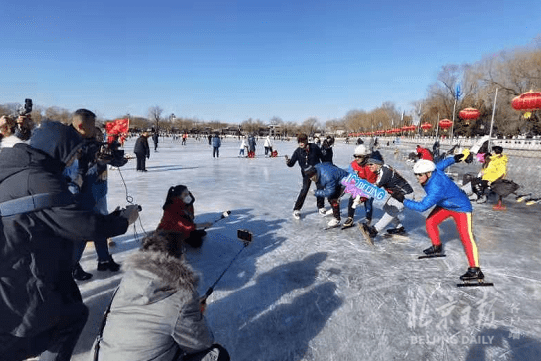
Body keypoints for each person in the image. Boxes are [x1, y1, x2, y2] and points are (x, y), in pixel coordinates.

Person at [0, 120, 139, 361]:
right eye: (73, 154)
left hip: (15, 266)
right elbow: (84, 226)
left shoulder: (14, 167)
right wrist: (124, 220)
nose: (74, 159)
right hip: (21, 280)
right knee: (69, 319)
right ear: (59, 149)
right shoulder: (38, 180)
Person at [94, 231, 230, 361]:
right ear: (179, 257)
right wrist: (195, 314)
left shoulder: (126, 283)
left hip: (103, 356)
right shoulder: (182, 298)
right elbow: (202, 342)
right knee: (218, 354)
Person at [390, 156, 486, 282]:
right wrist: (456, 158)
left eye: (420, 175)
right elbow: (443, 163)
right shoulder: (435, 170)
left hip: (461, 207)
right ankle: (437, 247)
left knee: (466, 237)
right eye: (416, 175)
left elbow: (422, 207)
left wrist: (403, 200)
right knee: (430, 222)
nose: (417, 178)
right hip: (445, 204)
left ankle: (475, 270)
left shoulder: (436, 188)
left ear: (429, 174)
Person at [67, 126, 122, 281]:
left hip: (100, 196)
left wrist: (116, 155)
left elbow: (116, 163)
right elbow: (80, 177)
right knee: (84, 233)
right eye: (96, 134)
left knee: (101, 229)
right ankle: (71, 266)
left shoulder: (101, 148)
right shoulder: (79, 151)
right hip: (85, 198)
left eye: (101, 135)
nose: (99, 137)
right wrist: (98, 164)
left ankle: (104, 260)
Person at [359, 150, 414, 239]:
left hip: (404, 195)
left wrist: (361, 198)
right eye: (368, 164)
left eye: (371, 164)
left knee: (390, 212)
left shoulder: (385, 171)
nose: (369, 166)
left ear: (378, 164)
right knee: (387, 207)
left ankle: (374, 230)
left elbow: (374, 189)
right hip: (397, 194)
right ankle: (399, 228)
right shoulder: (382, 168)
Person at [285, 133, 325, 219]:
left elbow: (323, 158)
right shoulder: (298, 151)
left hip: (317, 171)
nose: (300, 143)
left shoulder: (314, 147)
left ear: (306, 141)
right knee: (304, 190)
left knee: (320, 188)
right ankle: (296, 209)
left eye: (302, 141)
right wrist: (288, 162)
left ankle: (321, 207)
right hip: (306, 174)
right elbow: (291, 164)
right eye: (299, 142)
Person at [304, 163, 349, 228]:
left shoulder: (327, 177)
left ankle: (337, 219)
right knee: (331, 198)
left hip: (345, 182)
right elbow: (329, 164)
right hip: (337, 179)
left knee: (333, 199)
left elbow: (329, 192)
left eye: (312, 177)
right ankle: (334, 209)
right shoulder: (317, 167)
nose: (311, 179)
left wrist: (316, 193)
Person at [343, 145, 377, 228]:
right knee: (352, 199)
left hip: (371, 185)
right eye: (355, 156)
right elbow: (350, 177)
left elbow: (373, 182)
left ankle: (368, 219)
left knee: (368, 202)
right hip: (359, 184)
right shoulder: (353, 165)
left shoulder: (372, 165)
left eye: (359, 156)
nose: (357, 158)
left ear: (365, 157)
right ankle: (350, 218)